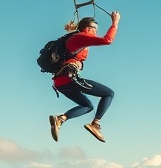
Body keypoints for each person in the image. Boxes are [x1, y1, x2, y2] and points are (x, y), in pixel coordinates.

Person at [48, 11, 120, 143]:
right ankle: (95, 124)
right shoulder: (80, 37)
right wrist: (115, 23)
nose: (96, 34)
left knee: (87, 106)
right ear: (88, 29)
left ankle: (60, 119)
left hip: (60, 83)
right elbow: (107, 40)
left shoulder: (74, 38)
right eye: (94, 30)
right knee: (109, 93)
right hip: (69, 78)